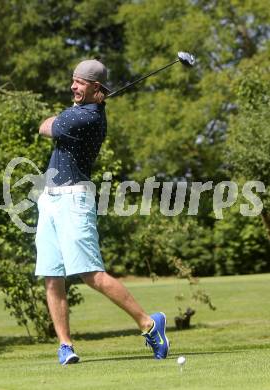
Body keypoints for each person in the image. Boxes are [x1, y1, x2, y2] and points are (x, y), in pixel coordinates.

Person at [36, 59, 169, 365]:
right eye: (73, 81)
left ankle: (149, 324)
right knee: (52, 274)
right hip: (50, 198)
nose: (73, 86)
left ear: (96, 88)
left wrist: (59, 117)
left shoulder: (88, 118)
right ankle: (65, 346)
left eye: (79, 83)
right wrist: (64, 114)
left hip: (73, 199)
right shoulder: (78, 112)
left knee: (90, 273)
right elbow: (50, 126)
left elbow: (45, 126)